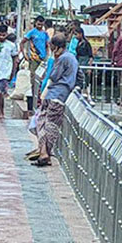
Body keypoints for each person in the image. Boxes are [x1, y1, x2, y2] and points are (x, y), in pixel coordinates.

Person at [30, 34, 79, 167]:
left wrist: (44, 91)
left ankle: (44, 152)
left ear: (57, 47)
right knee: (52, 125)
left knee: (43, 123)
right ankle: (45, 153)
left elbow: (54, 76)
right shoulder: (72, 58)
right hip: (63, 96)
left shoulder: (62, 58)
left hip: (54, 94)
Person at [0, 25, 18, 119]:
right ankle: (0, 112)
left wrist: (13, 72)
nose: (2, 37)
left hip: (6, 73)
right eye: (0, 35)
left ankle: (1, 114)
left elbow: (15, 59)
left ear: (6, 34)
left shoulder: (11, 46)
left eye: (3, 35)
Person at [23, 16, 50, 111]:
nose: (40, 25)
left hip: (43, 59)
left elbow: (48, 45)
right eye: (38, 23)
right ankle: (33, 100)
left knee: (42, 79)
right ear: (35, 23)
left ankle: (39, 99)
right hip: (34, 59)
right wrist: (25, 54)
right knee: (33, 79)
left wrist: (47, 55)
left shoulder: (45, 34)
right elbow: (22, 42)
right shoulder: (32, 32)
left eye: (42, 23)